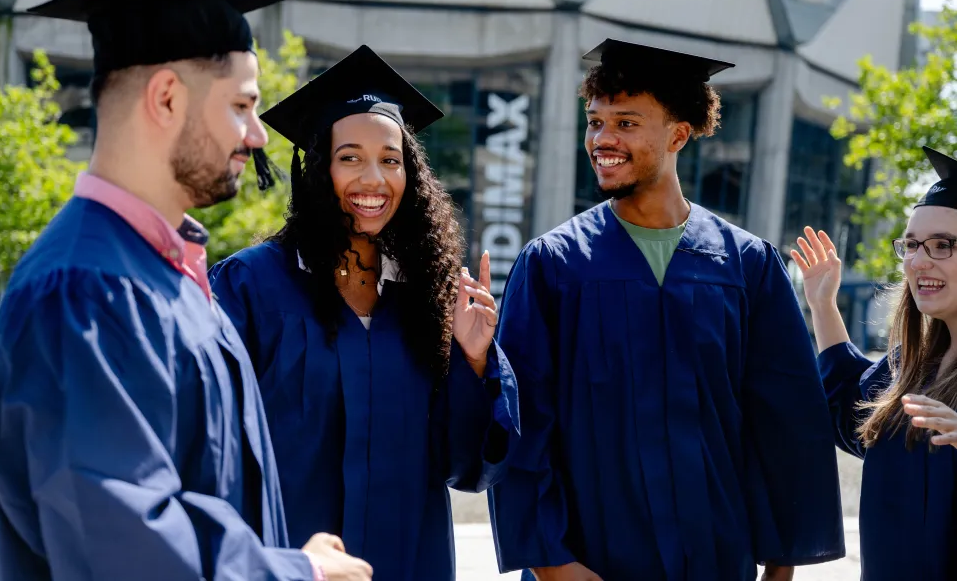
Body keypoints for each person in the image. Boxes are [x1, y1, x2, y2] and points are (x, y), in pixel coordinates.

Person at [0, 0, 371, 581]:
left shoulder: (170, 275)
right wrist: (296, 573)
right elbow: (122, 546)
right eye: (242, 105)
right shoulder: (84, 291)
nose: (258, 135)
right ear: (165, 98)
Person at [488, 39, 845, 581]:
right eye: (595, 122)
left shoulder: (746, 266)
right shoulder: (554, 265)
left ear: (678, 134)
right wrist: (554, 565)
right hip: (589, 558)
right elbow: (522, 425)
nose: (603, 140)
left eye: (626, 123)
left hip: (716, 556)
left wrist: (780, 564)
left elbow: (786, 423)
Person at [208, 44, 520, 581]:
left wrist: (472, 358)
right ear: (317, 171)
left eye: (390, 159)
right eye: (349, 157)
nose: (373, 179)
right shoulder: (252, 287)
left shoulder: (429, 297)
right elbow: (210, 448)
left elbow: (467, 467)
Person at [791, 146, 957, 580]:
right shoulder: (910, 367)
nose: (919, 260)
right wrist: (823, 306)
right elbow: (851, 416)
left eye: (943, 245)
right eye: (913, 244)